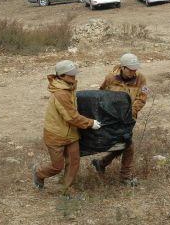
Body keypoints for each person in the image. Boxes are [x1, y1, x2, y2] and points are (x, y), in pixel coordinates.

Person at [33, 60, 101, 195]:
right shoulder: (61, 93)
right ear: (61, 76)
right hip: (56, 135)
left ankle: (66, 189)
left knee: (74, 162)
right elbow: (71, 117)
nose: (74, 77)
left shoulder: (69, 87)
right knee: (57, 166)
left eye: (74, 74)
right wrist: (90, 123)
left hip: (71, 133)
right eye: (70, 75)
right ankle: (39, 174)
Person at [91, 53, 148, 186]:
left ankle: (104, 165)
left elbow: (142, 97)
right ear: (122, 67)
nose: (134, 72)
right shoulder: (110, 78)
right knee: (125, 144)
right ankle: (121, 175)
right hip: (112, 119)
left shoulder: (141, 79)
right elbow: (101, 95)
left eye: (135, 69)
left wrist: (131, 113)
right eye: (130, 69)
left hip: (128, 119)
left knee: (125, 144)